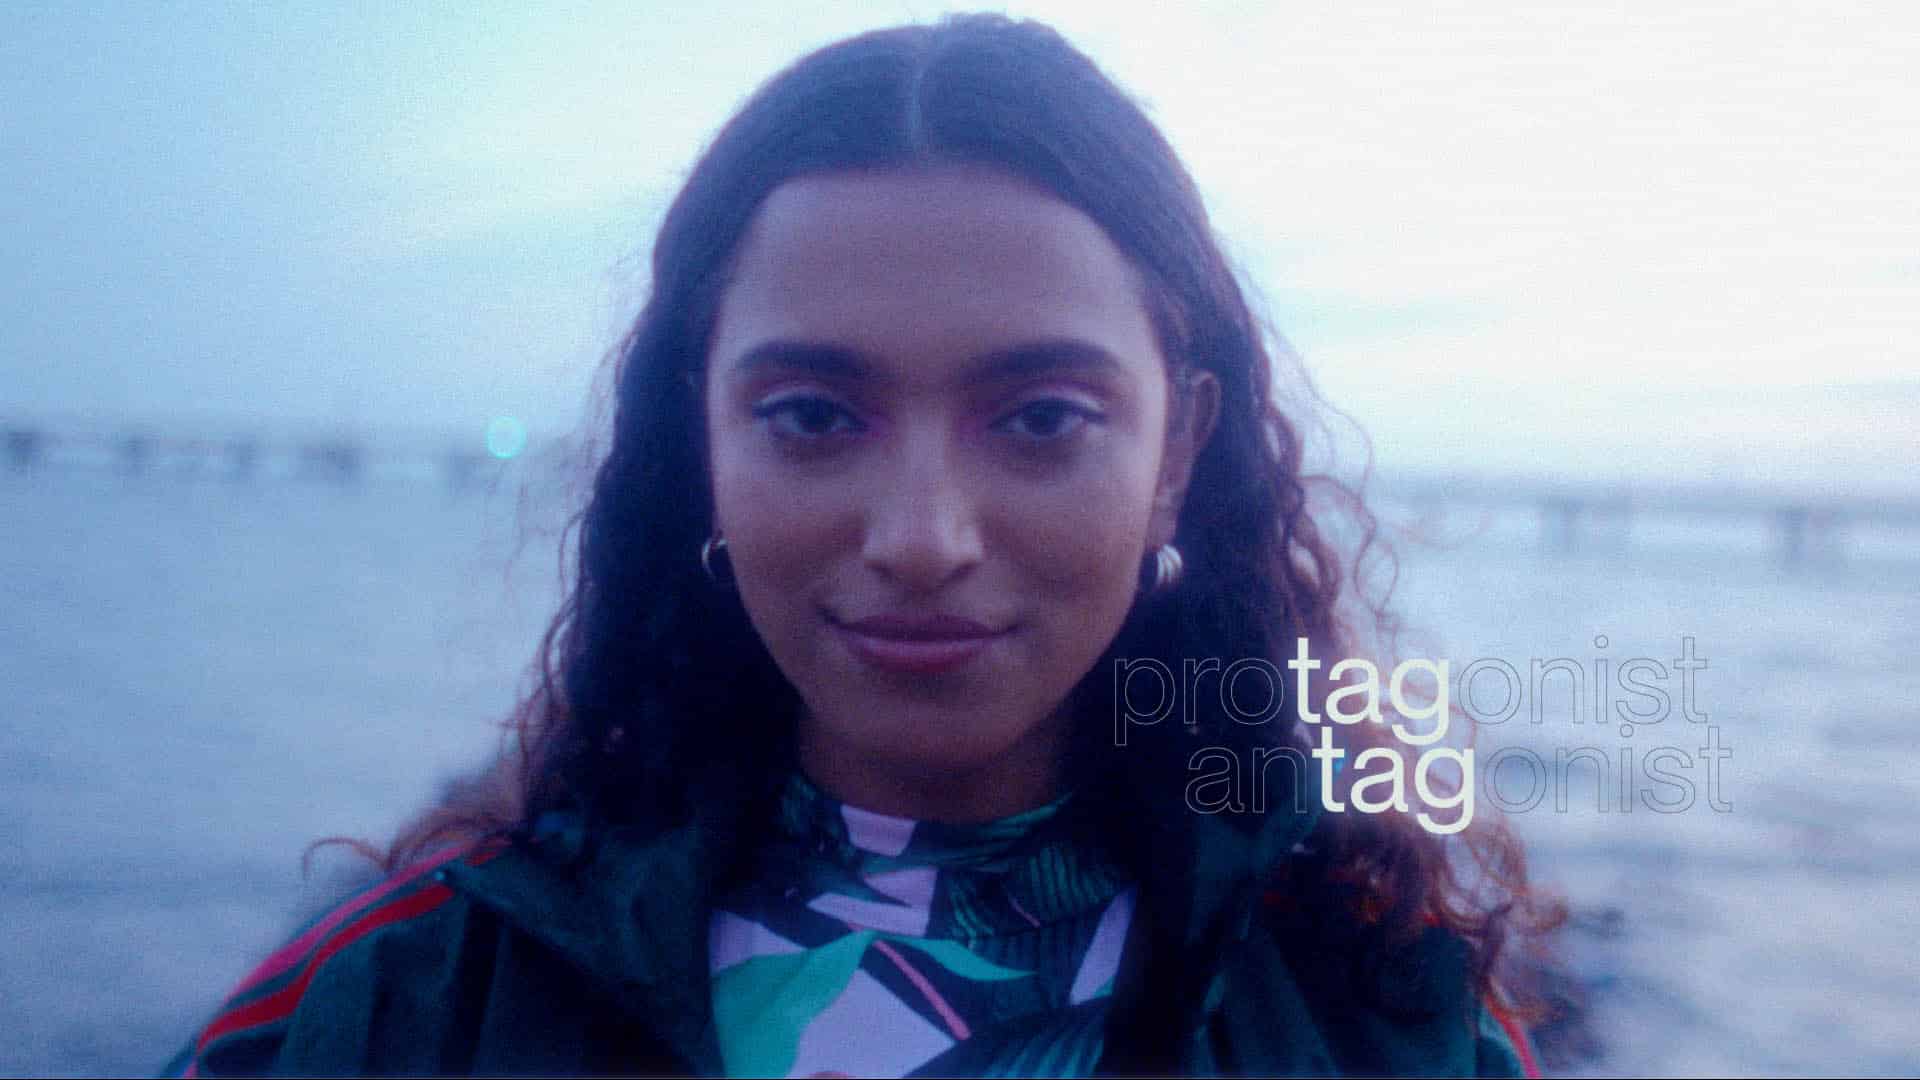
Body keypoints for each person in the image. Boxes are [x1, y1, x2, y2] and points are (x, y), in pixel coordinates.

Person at [165, 13, 1558, 1077]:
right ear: (699, 443)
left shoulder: (1377, 1004)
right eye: (817, 414)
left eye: (1043, 416)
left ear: (1177, 454)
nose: (922, 537)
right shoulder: (412, 1003)